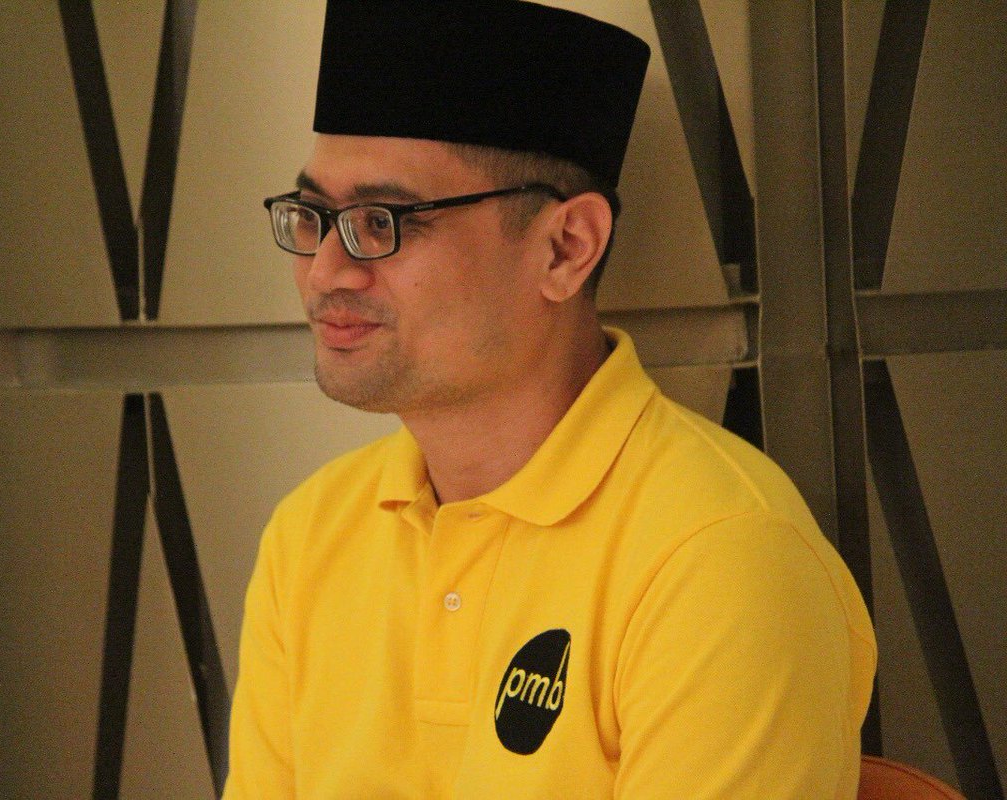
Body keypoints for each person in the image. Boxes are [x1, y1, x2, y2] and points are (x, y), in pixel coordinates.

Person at [225, 1, 876, 797]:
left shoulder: (717, 559)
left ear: (566, 248)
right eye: (313, 217)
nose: (326, 270)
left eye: (380, 221)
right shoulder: (311, 535)